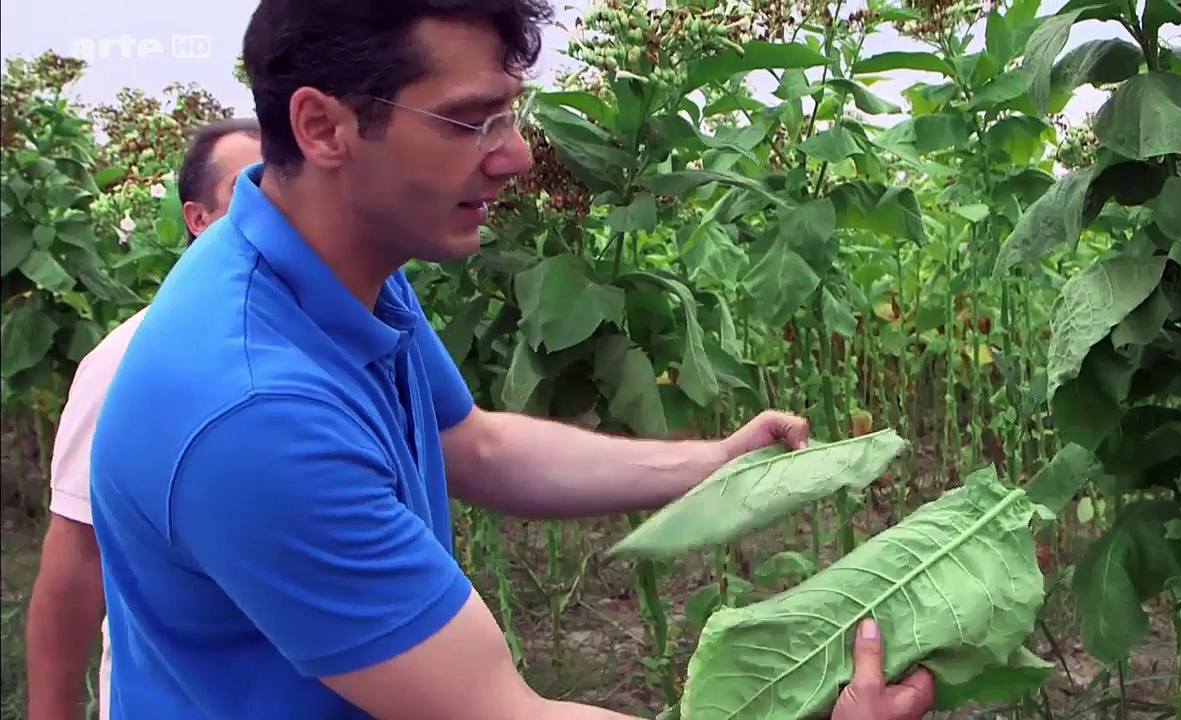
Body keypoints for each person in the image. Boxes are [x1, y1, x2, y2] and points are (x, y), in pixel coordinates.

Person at [86, 3, 935, 720]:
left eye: (510, 114)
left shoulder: (325, 264)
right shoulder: (254, 410)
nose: (518, 155)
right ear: (323, 127)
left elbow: (476, 446)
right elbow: (503, 711)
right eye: (471, 119)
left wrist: (708, 465)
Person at [24, 118, 262, 720]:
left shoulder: (341, 341)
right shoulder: (132, 362)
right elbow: (76, 560)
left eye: (285, 183)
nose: (273, 204)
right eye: (248, 187)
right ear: (198, 219)